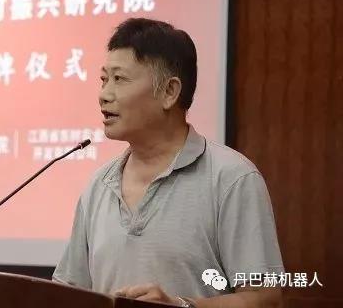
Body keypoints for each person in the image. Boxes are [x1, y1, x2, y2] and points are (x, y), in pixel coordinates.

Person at [52, 18, 284, 308]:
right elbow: (68, 291)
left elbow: (266, 299)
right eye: (104, 79)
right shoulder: (99, 184)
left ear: (169, 92)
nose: (104, 95)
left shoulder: (231, 178)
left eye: (119, 79)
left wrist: (182, 306)